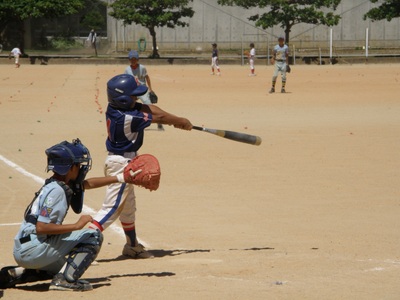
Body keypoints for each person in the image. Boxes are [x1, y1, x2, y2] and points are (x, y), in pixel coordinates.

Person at [0, 138, 133, 291]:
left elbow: (86, 184)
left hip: (24, 247)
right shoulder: (57, 192)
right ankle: (64, 281)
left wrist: (121, 178)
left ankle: (14, 274)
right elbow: (41, 228)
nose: (81, 167)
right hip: (33, 248)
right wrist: (77, 226)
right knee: (93, 236)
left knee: (65, 266)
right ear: (69, 168)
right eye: (78, 164)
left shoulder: (55, 183)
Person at [88, 74, 192, 259]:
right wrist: (180, 121)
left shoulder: (115, 108)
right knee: (111, 209)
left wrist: (175, 120)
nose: (136, 99)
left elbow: (149, 109)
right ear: (123, 99)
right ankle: (79, 247)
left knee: (128, 207)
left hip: (125, 161)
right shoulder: (127, 118)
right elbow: (157, 115)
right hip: (121, 165)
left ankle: (132, 246)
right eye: (133, 96)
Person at [124, 50, 164, 131]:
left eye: (135, 59)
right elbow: (126, 80)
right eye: (131, 59)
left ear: (138, 59)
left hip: (142, 89)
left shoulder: (142, 68)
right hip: (132, 91)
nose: (133, 61)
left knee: (149, 105)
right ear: (129, 60)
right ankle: (129, 124)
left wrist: (150, 89)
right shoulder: (127, 70)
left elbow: (147, 78)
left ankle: (159, 122)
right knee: (128, 106)